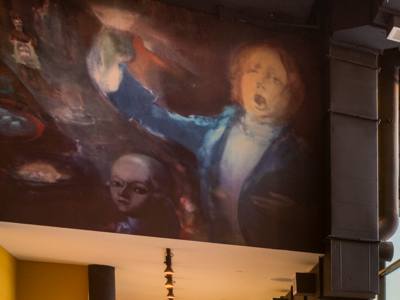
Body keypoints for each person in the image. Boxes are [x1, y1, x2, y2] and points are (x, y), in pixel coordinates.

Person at [90, 32, 314, 249]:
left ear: (289, 95)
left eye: (274, 78)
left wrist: (300, 217)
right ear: (238, 82)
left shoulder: (297, 155)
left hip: (267, 260)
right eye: (253, 71)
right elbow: (157, 118)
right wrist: (114, 75)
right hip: (221, 249)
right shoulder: (213, 133)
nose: (261, 83)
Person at [107, 153, 181, 238]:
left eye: (137, 189)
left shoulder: (163, 231)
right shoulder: (111, 222)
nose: (122, 193)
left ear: (158, 194)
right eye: (117, 183)